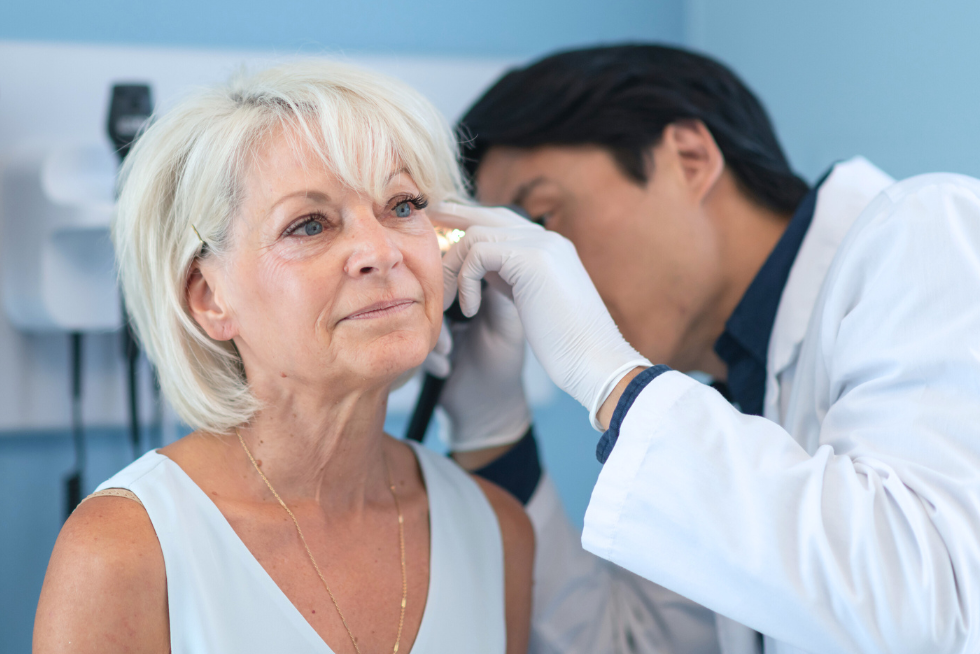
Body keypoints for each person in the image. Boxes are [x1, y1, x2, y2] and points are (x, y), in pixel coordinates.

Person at [432, 44, 980, 653]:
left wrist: (613, 380)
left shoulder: (932, 231)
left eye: (545, 217)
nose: (539, 274)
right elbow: (635, 645)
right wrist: (493, 428)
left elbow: (934, 604)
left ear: (690, 158)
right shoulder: (732, 398)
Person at [33, 61, 533, 654]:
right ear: (210, 298)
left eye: (402, 206)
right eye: (310, 224)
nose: (380, 251)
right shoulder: (125, 550)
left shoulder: (497, 533)